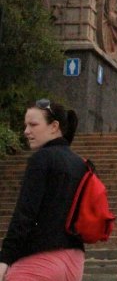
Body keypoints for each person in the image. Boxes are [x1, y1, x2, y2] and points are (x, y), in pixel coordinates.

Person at [0, 99, 88, 281]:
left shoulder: (41, 159)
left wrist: (5, 258)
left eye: (33, 125)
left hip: (40, 260)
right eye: (26, 125)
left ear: (54, 126)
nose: (26, 131)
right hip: (74, 261)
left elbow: (25, 213)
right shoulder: (81, 164)